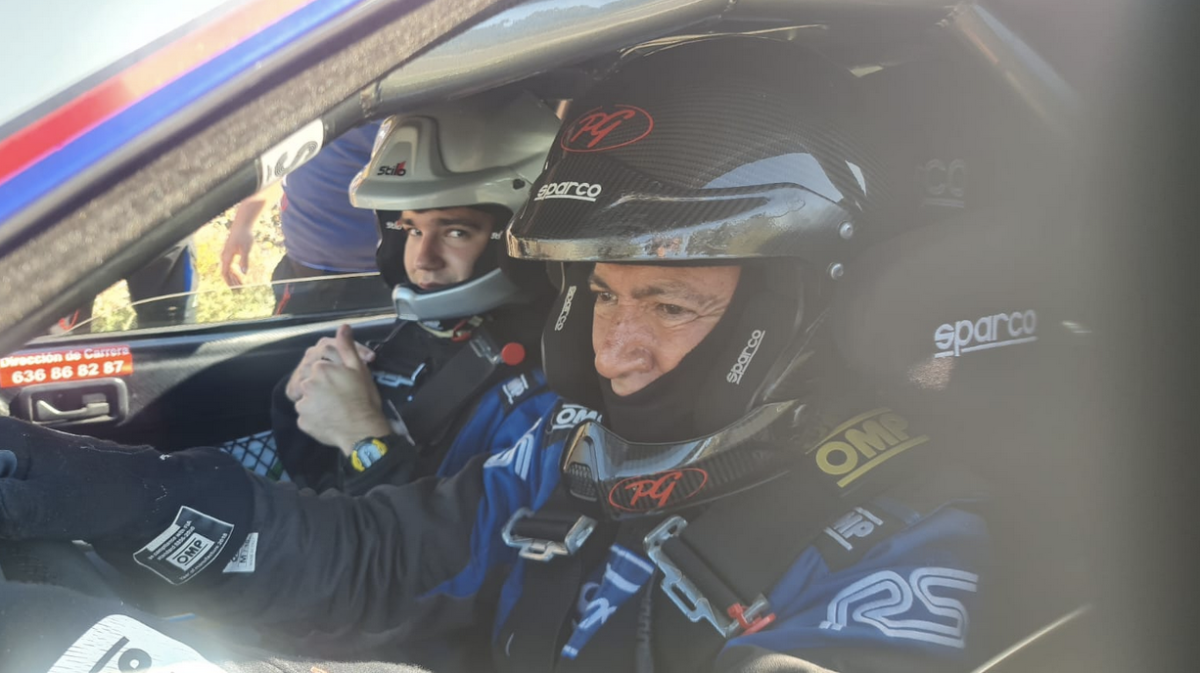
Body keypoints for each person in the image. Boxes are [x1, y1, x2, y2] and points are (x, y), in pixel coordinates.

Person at [0, 38, 988, 673]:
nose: (614, 351)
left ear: (792, 308)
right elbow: (377, 557)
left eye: (670, 302)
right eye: (602, 295)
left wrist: (369, 444)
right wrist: (126, 498)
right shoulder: (572, 454)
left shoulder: (899, 550)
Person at [273, 91, 562, 492]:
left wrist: (365, 442)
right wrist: (299, 400)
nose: (423, 259)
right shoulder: (421, 334)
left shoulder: (549, 388)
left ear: (518, 234)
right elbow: (321, 492)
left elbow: (465, 531)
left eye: (456, 232)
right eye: (411, 230)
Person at [222, 121, 390, 316]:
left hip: (386, 277)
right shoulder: (305, 104)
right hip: (304, 274)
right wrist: (243, 224)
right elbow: (286, 159)